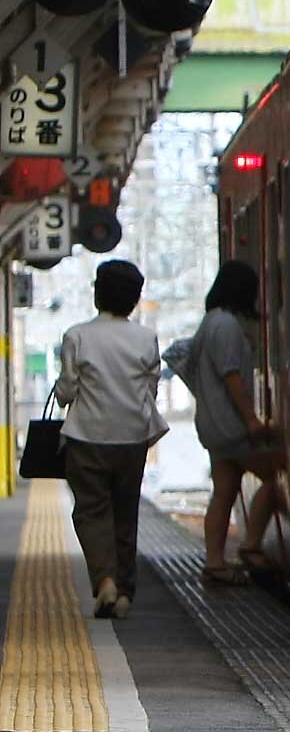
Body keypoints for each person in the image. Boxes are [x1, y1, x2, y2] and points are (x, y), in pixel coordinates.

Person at [54, 259, 166, 619]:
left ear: (97, 294)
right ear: (134, 299)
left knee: (91, 511)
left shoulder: (78, 336)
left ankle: (104, 581)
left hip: (87, 437)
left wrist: (65, 390)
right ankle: (125, 592)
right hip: (132, 437)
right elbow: (151, 387)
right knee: (124, 512)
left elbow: (68, 391)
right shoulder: (146, 338)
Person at [186, 260, 287, 585]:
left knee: (224, 492)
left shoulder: (208, 323)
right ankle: (251, 544)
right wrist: (252, 420)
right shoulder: (227, 326)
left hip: (212, 426)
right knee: (276, 476)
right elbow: (232, 376)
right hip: (231, 427)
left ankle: (214, 563)